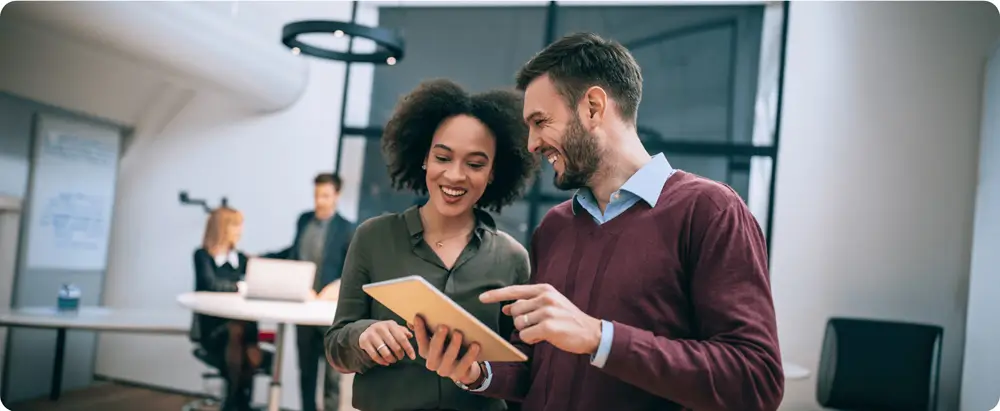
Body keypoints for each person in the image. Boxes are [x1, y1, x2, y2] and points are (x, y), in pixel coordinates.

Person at [412, 32, 785, 411]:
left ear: (592, 107)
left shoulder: (710, 211)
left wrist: (599, 337)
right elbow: (536, 369)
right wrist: (478, 372)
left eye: (540, 121)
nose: (532, 144)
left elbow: (756, 380)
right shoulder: (555, 228)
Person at [324, 79, 538, 411]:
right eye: (443, 157)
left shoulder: (512, 259)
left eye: (475, 164)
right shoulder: (374, 238)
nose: (455, 175)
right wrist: (363, 336)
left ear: (494, 173)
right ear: (424, 158)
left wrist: (477, 374)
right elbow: (336, 347)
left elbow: (523, 370)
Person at [263, 173, 355, 411]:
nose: (319, 201)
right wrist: (262, 258)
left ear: (336, 196)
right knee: (306, 371)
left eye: (325, 195)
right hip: (303, 307)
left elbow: (353, 269)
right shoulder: (303, 220)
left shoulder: (347, 229)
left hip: (330, 313)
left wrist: (336, 287)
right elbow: (294, 253)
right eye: (316, 195)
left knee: (333, 375)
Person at [192, 206, 261, 411]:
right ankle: (235, 404)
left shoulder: (240, 258)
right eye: (235, 225)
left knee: (246, 343)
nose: (240, 231)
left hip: (242, 331)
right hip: (214, 330)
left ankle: (237, 404)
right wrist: (240, 286)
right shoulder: (202, 256)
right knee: (237, 333)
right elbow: (211, 284)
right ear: (221, 228)